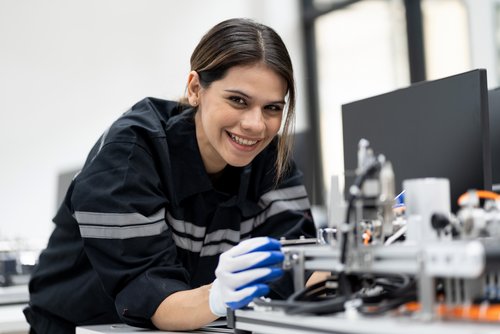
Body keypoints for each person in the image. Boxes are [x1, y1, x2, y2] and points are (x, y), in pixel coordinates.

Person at [24, 17, 317, 333]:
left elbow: (299, 265)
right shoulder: (130, 154)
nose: (256, 125)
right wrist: (217, 296)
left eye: (272, 108)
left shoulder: (271, 157)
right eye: (238, 100)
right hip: (82, 326)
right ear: (195, 89)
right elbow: (153, 299)